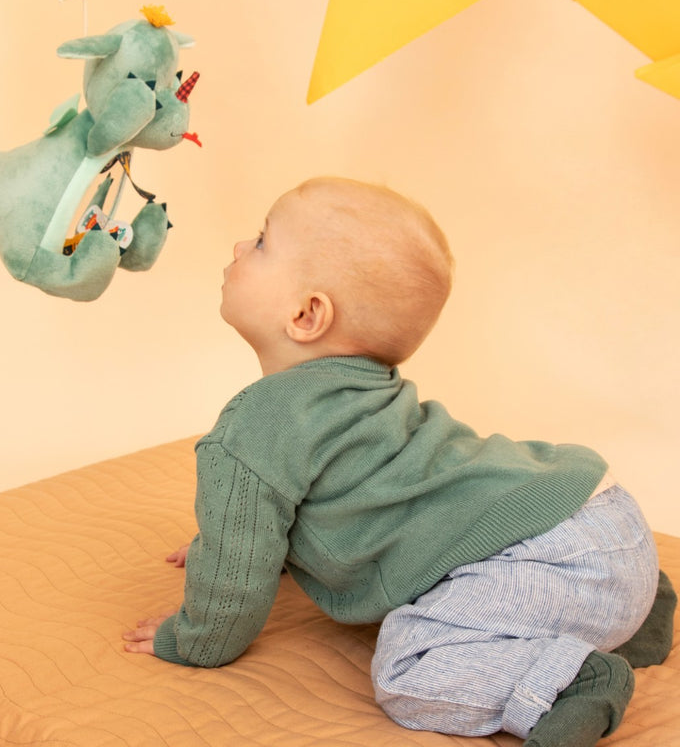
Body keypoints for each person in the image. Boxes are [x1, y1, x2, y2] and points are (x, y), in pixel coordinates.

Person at [123, 177, 674, 746]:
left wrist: (194, 640)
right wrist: (236, 534)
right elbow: (328, 498)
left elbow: (232, 587)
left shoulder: (252, 430)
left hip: (549, 564)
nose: (240, 246)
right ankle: (637, 616)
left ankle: (571, 680)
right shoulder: (369, 393)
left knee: (407, 671)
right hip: (606, 520)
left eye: (261, 242)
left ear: (307, 314)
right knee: (545, 569)